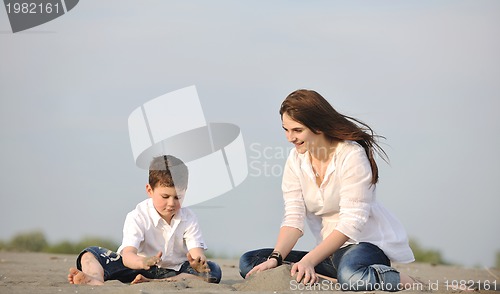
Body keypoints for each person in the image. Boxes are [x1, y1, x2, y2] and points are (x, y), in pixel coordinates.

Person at [239, 89, 421, 292]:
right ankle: (328, 277)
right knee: (250, 262)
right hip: (328, 253)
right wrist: (276, 258)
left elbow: (352, 224)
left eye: (297, 130)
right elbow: (293, 218)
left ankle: (407, 281)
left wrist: (309, 260)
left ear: (318, 126)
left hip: (365, 245)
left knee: (352, 277)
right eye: (286, 129)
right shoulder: (295, 160)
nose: (290, 138)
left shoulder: (351, 155)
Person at [68, 155, 222, 285]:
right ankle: (94, 279)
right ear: (150, 190)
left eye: (178, 197)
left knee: (213, 270)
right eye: (165, 196)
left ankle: (155, 282)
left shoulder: (189, 218)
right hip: (138, 266)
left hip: (175, 271)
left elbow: (197, 252)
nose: (171, 203)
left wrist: (198, 263)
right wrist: (143, 262)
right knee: (90, 253)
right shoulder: (137, 216)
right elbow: (128, 255)